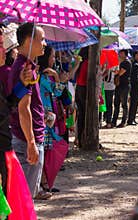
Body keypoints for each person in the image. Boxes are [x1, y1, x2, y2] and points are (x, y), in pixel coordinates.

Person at [0, 26, 38, 219]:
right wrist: (31, 141)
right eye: (0, 45)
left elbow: (7, 106)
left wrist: (22, 86)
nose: (4, 49)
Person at [8, 23, 48, 199]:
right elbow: (23, 108)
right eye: (42, 39)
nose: (45, 43)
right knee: (23, 200)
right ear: (29, 41)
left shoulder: (25, 66)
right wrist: (32, 142)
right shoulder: (25, 69)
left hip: (25, 137)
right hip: (26, 140)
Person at [38, 46, 66, 194]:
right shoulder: (41, 76)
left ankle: (45, 182)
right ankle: (42, 183)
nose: (54, 59)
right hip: (43, 118)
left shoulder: (44, 75)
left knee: (47, 151)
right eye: (53, 56)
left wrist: (56, 77)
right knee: (44, 152)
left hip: (48, 118)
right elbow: (56, 92)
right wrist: (56, 77)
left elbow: (56, 93)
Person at [111, 49, 131, 128]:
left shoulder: (126, 63)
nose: (119, 54)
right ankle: (114, 121)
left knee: (124, 104)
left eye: (121, 53)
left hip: (124, 85)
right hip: (119, 86)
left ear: (125, 54)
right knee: (116, 104)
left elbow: (120, 72)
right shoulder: (121, 63)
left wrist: (115, 72)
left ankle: (124, 121)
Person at [75, 47, 89, 148]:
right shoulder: (88, 63)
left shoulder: (82, 63)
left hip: (79, 88)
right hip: (84, 89)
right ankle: (82, 139)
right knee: (84, 115)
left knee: (81, 115)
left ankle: (79, 138)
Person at [128, 50, 138, 125]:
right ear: (136, 55)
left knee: (135, 104)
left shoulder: (137, 64)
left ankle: (133, 119)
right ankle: (130, 120)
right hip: (135, 88)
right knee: (133, 104)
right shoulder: (135, 65)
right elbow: (135, 77)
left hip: (137, 87)